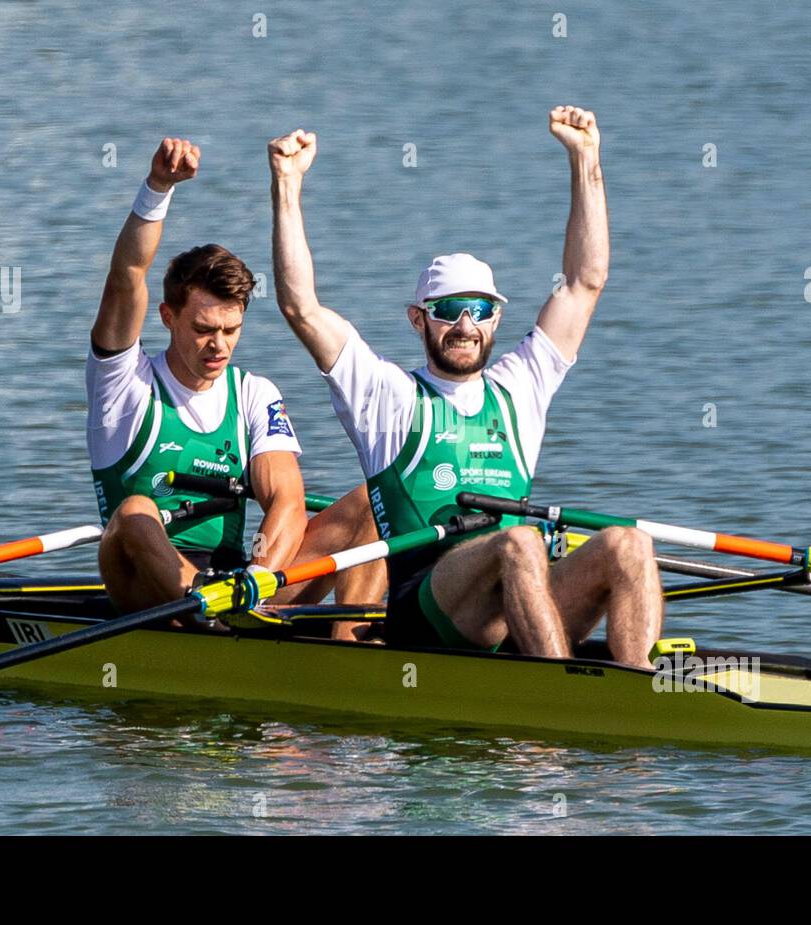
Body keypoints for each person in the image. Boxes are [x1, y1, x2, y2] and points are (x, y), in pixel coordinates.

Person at [267, 107, 664, 667]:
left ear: (496, 320)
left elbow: (585, 281)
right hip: (427, 610)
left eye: (479, 310)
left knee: (629, 543)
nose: (464, 325)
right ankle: (554, 694)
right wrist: (287, 184)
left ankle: (639, 686)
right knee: (522, 541)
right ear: (418, 319)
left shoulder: (521, 386)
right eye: (448, 310)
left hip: (514, 603)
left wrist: (586, 159)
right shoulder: (388, 397)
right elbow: (300, 307)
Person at [88, 136, 384, 619]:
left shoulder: (253, 393)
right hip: (143, 585)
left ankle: (351, 644)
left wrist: (253, 580)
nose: (219, 345)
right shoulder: (124, 384)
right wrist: (158, 186)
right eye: (204, 329)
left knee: (372, 502)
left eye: (231, 330)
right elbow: (127, 275)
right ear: (167, 316)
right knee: (135, 511)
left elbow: (287, 499)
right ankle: (207, 611)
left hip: (240, 585)